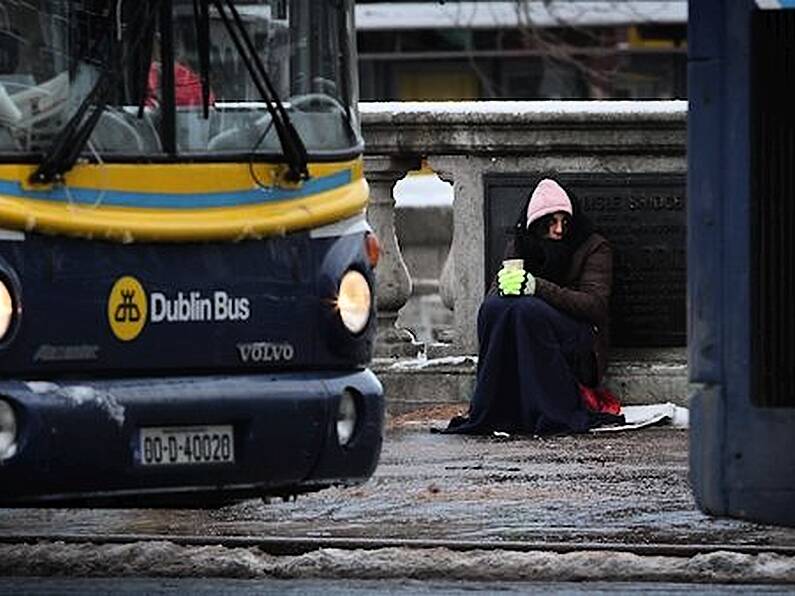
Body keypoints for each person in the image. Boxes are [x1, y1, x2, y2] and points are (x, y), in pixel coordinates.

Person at [443, 177, 624, 436]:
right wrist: (503, 286)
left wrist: (537, 287)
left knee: (527, 309)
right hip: (529, 326)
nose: (559, 230)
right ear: (536, 225)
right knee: (495, 307)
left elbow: (594, 306)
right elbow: (497, 297)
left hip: (581, 341)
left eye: (564, 221)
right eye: (551, 222)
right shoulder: (520, 245)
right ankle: (494, 406)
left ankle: (552, 409)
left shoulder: (594, 248)